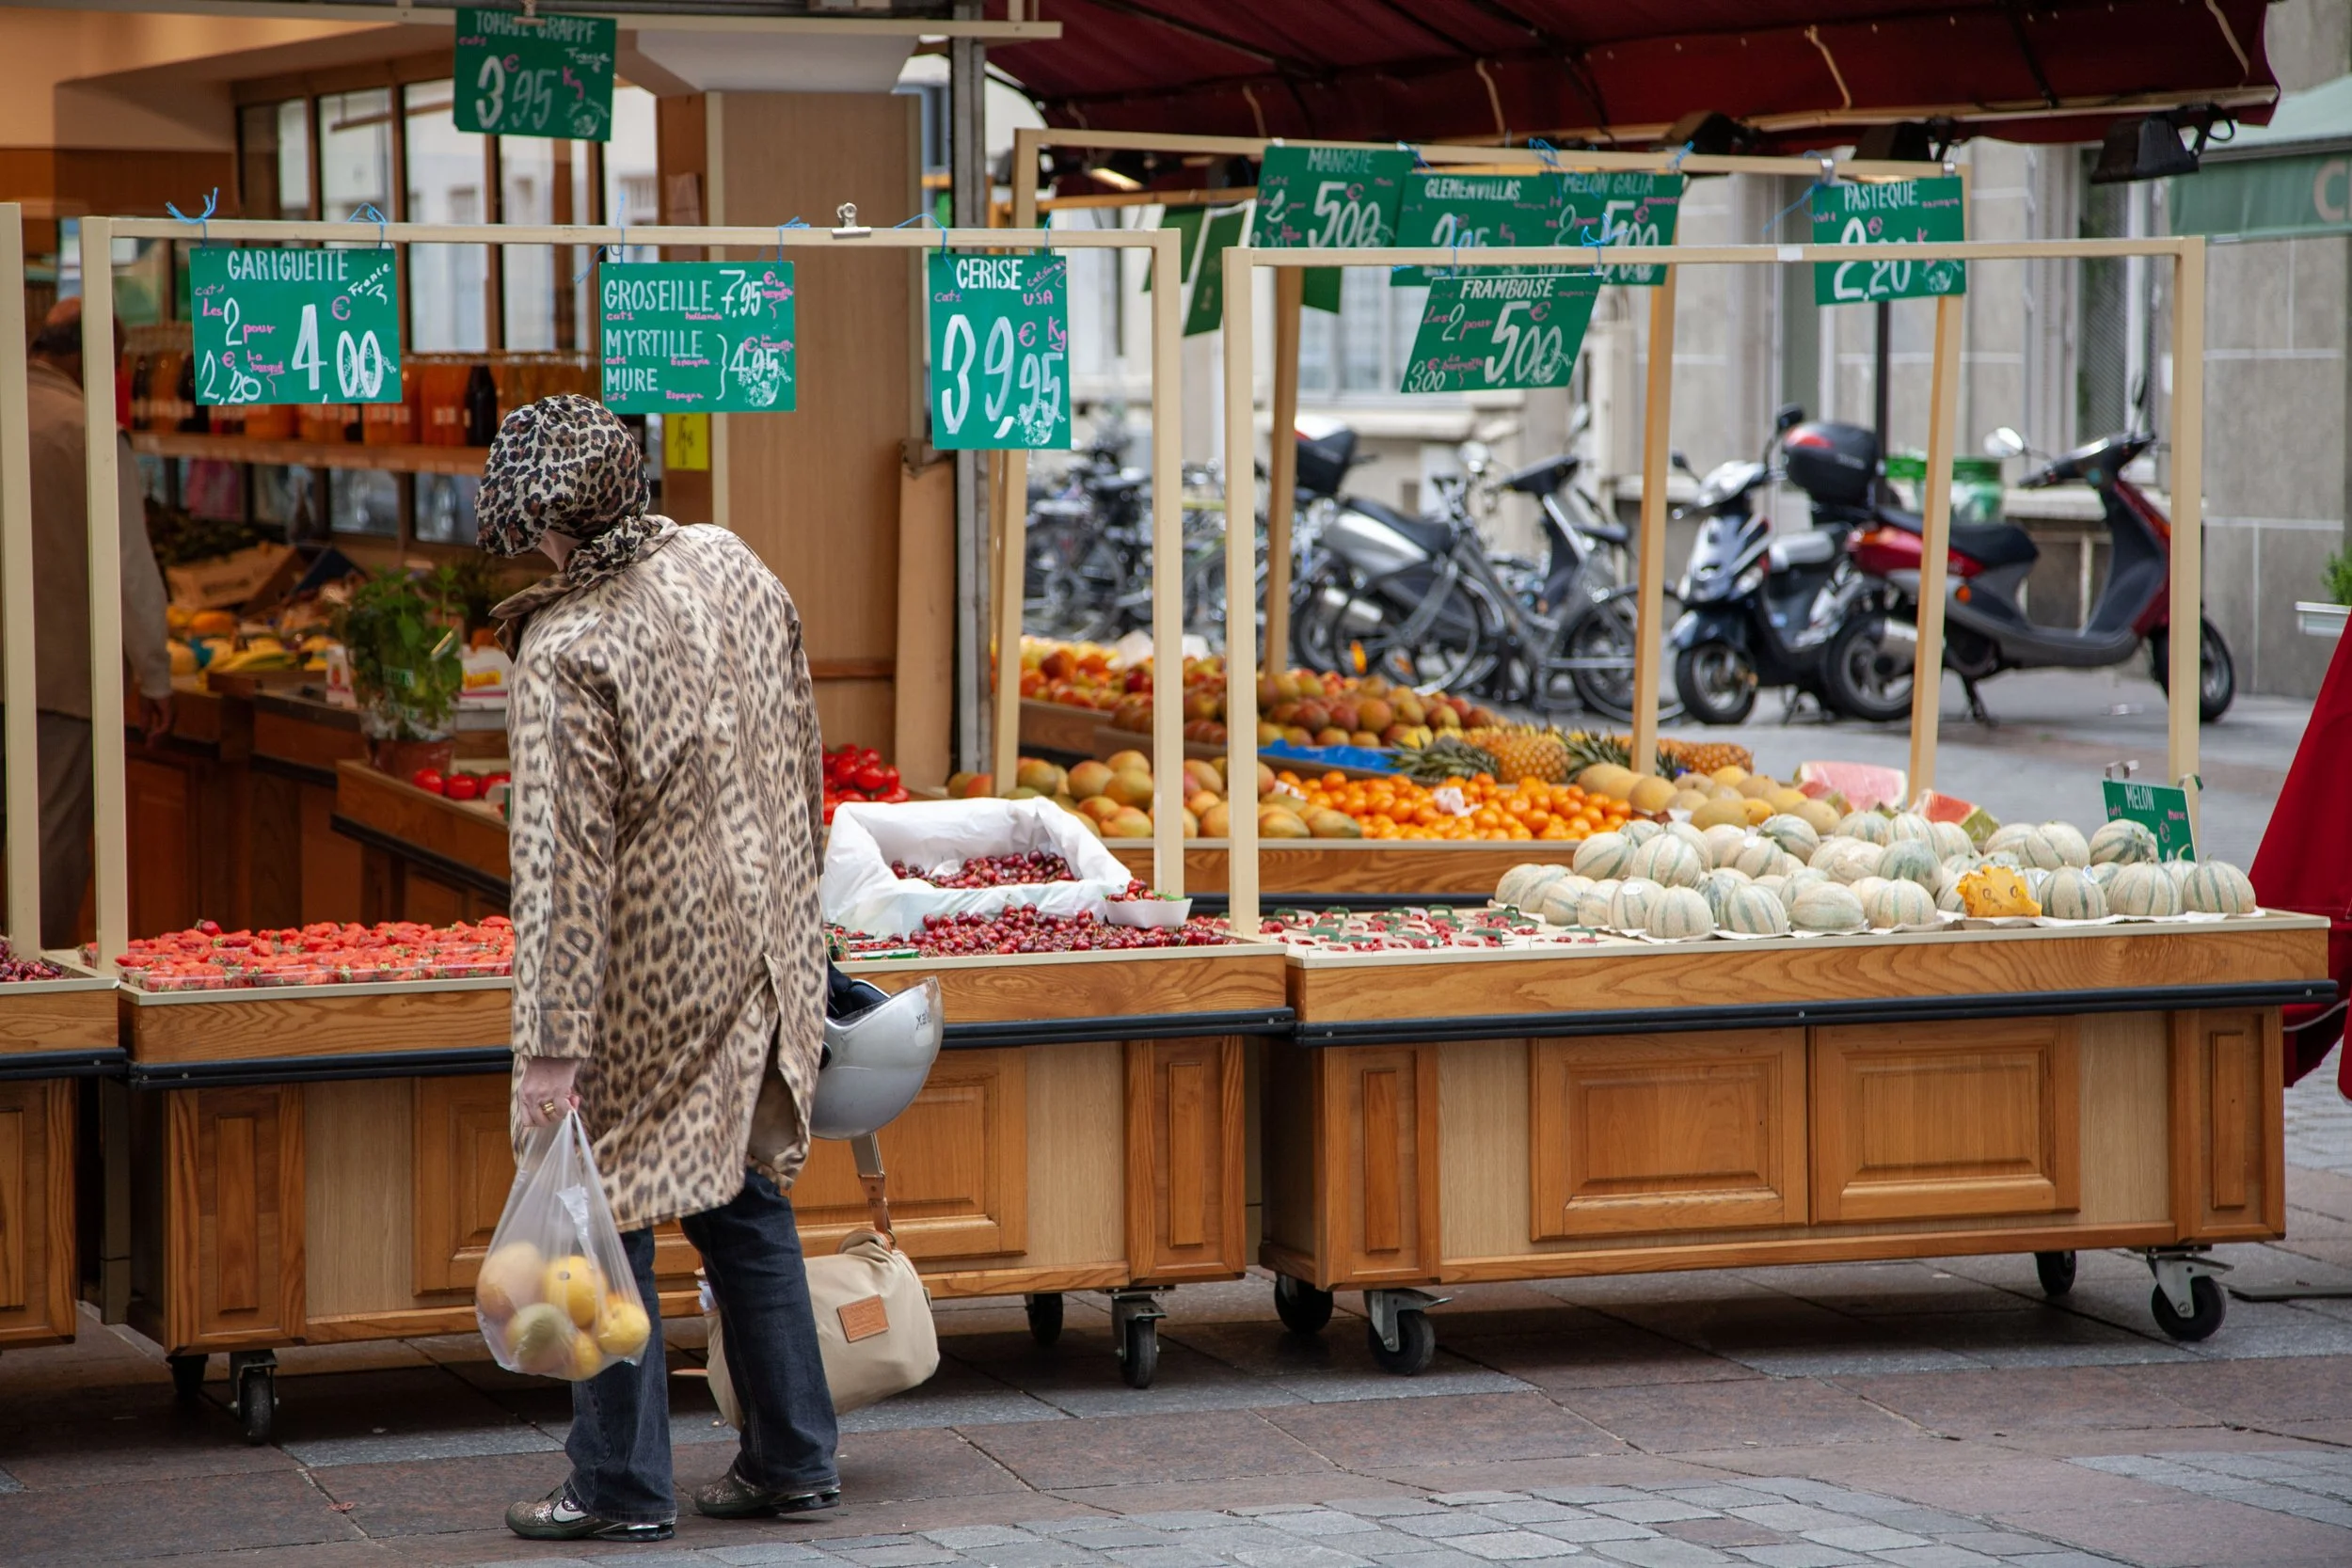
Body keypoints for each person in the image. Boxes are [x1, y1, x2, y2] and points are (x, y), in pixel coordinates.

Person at [481, 395, 837, 1543]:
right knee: (743, 1194)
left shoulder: (567, 647)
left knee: (605, 1207)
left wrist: (548, 1049)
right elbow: (805, 746)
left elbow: (559, 868)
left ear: (544, 525)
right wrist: (802, 921)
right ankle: (793, 1457)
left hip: (646, 964)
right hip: (765, 937)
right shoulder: (729, 559)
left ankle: (618, 1483)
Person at [21, 296, 174, 948]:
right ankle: (38, 1001)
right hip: (61, 675)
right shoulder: (87, 432)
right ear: (93, 360)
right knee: (50, 843)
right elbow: (128, 566)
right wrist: (156, 671)